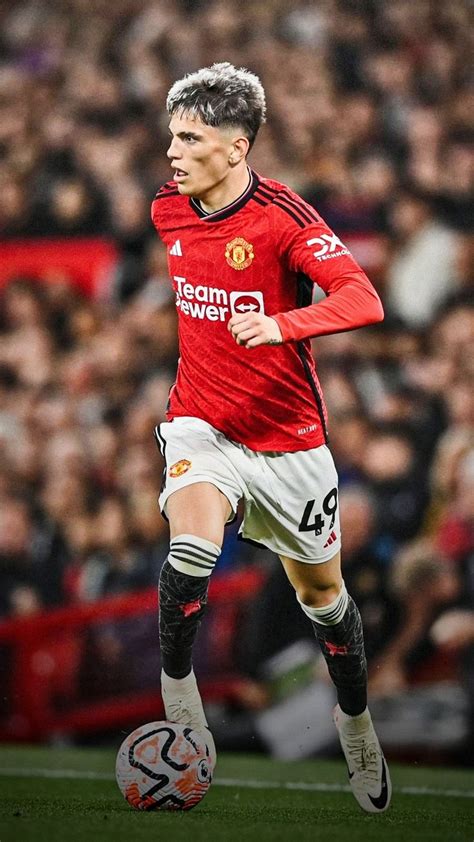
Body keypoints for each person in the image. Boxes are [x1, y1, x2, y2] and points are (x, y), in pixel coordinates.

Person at [151, 62, 391, 814]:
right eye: (172, 136)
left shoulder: (285, 217)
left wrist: (282, 323)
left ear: (238, 146)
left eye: (190, 138)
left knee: (324, 601)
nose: (173, 152)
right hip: (201, 424)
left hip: (290, 447)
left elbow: (365, 299)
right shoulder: (168, 208)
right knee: (191, 549)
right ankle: (181, 705)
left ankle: (355, 724)